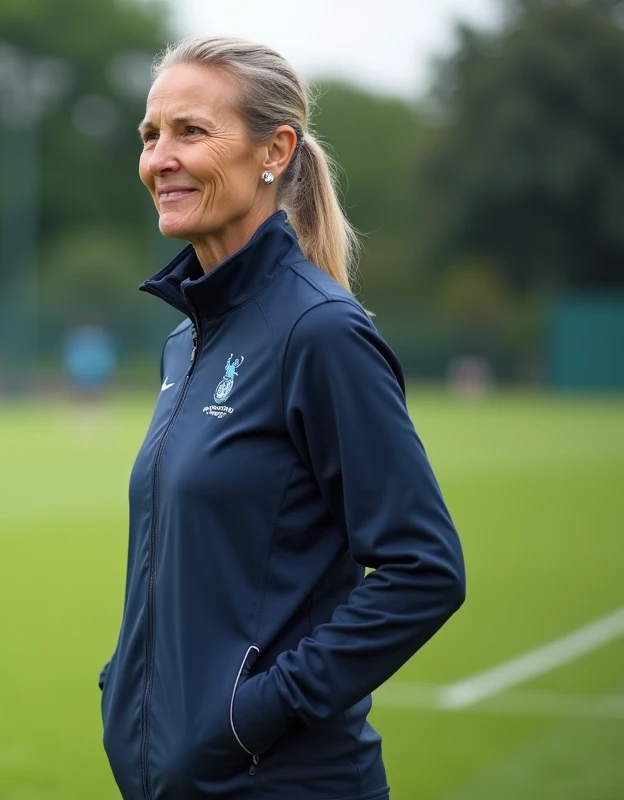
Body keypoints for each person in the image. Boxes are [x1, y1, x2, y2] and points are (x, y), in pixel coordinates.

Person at [98, 37, 466, 800]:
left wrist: (249, 714)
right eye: (150, 135)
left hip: (287, 781)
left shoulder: (319, 331)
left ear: (276, 150)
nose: (159, 158)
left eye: (190, 132)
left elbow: (423, 570)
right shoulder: (185, 339)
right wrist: (126, 687)